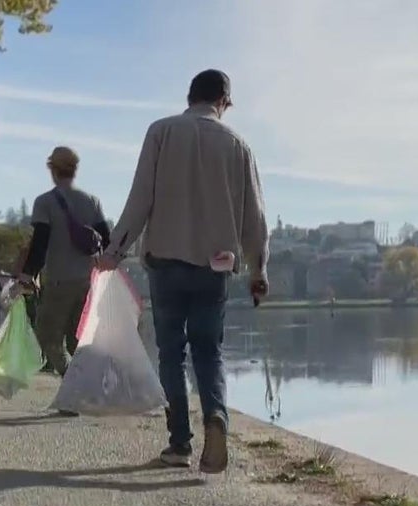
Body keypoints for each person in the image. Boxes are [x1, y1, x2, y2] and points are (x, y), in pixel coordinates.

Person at [97, 69, 269, 473]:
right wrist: (259, 268)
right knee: (209, 351)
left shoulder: (162, 131)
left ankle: (179, 444)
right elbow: (255, 218)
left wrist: (114, 252)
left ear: (189, 95)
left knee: (171, 352)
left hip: (167, 261)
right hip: (215, 266)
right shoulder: (239, 145)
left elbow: (140, 197)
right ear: (224, 102)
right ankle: (217, 415)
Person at [19, 147, 110, 399]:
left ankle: (74, 387)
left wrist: (26, 277)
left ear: (52, 169)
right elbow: (107, 239)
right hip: (87, 282)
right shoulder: (91, 201)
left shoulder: (45, 202)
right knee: (76, 341)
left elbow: (39, 245)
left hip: (59, 281)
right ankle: (82, 388)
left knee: (46, 338)